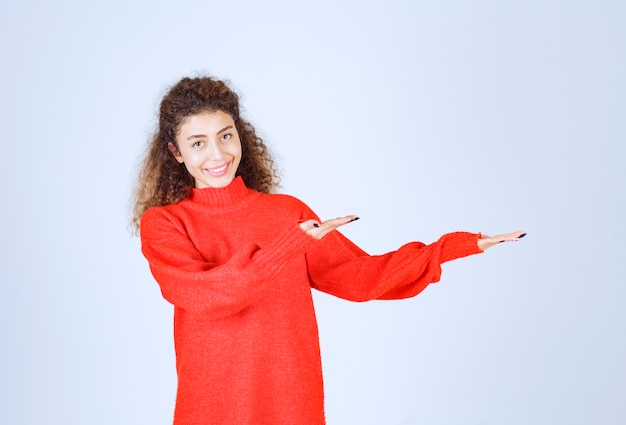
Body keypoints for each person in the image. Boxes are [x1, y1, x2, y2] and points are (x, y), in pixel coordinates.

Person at [132, 76, 525, 425]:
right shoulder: (164, 224)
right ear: (176, 152)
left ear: (240, 136)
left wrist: (451, 248)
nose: (217, 155)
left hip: (291, 401)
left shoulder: (288, 213)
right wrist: (289, 246)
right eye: (197, 143)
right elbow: (206, 294)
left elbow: (360, 276)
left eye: (225, 135)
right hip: (213, 406)